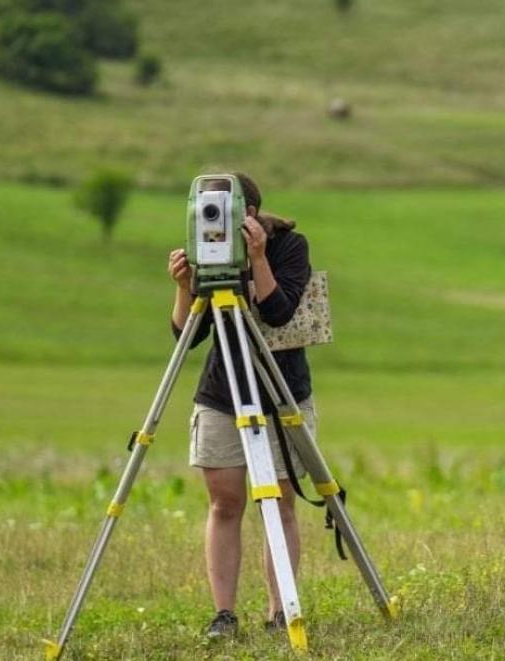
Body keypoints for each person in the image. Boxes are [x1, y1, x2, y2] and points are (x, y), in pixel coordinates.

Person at [167, 173, 316, 638]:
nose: (216, 219)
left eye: (225, 209)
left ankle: (280, 611)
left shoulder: (288, 246)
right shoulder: (202, 246)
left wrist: (255, 258)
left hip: (278, 389)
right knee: (224, 503)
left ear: (248, 212)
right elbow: (186, 336)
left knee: (282, 501)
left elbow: (278, 311)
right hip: (222, 391)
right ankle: (224, 614)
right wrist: (185, 285)